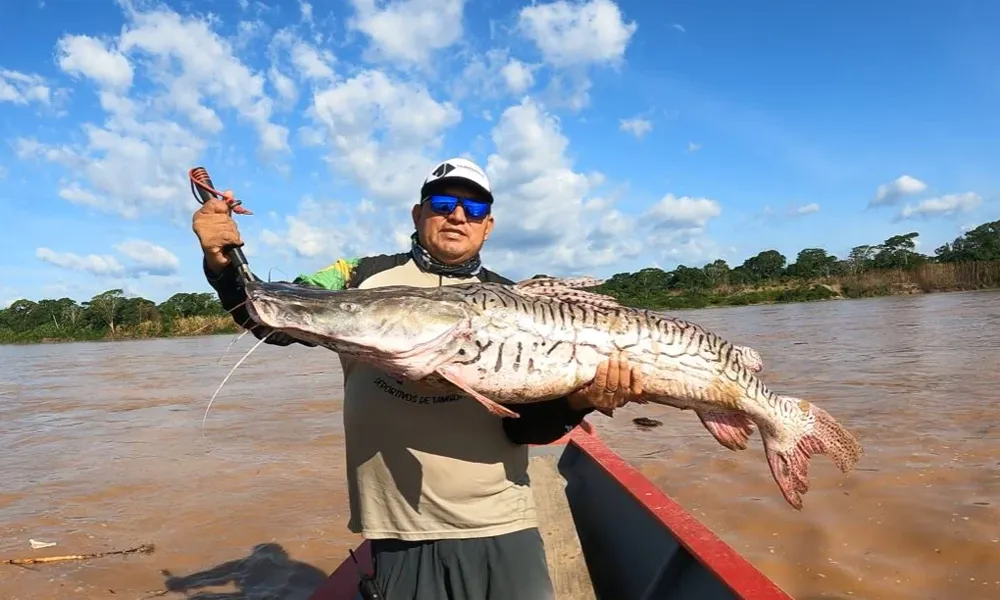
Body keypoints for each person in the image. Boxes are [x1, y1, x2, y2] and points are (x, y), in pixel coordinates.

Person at [192, 157, 645, 600]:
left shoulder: (515, 301)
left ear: (488, 225)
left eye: (476, 209)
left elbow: (524, 428)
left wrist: (579, 401)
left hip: (501, 521)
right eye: (443, 202)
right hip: (399, 529)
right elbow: (277, 314)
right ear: (418, 212)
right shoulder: (359, 278)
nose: (458, 215)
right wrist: (221, 263)